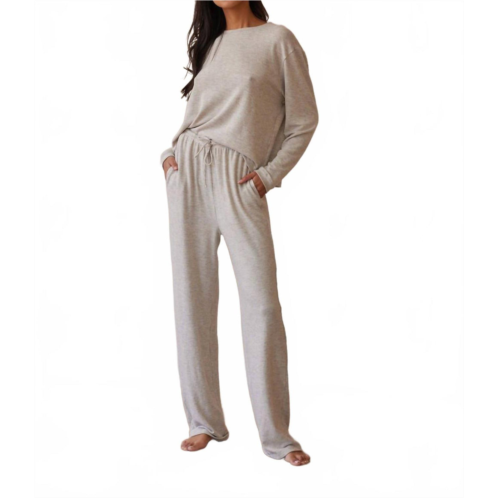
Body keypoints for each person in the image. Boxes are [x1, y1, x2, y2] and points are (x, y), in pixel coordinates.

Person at [160, 0, 318, 467]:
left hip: (240, 178)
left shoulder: (278, 40)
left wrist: (268, 176)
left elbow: (304, 121)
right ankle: (203, 421)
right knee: (192, 299)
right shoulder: (212, 45)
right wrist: (168, 158)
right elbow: (198, 116)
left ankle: (277, 436)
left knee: (262, 305)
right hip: (188, 172)